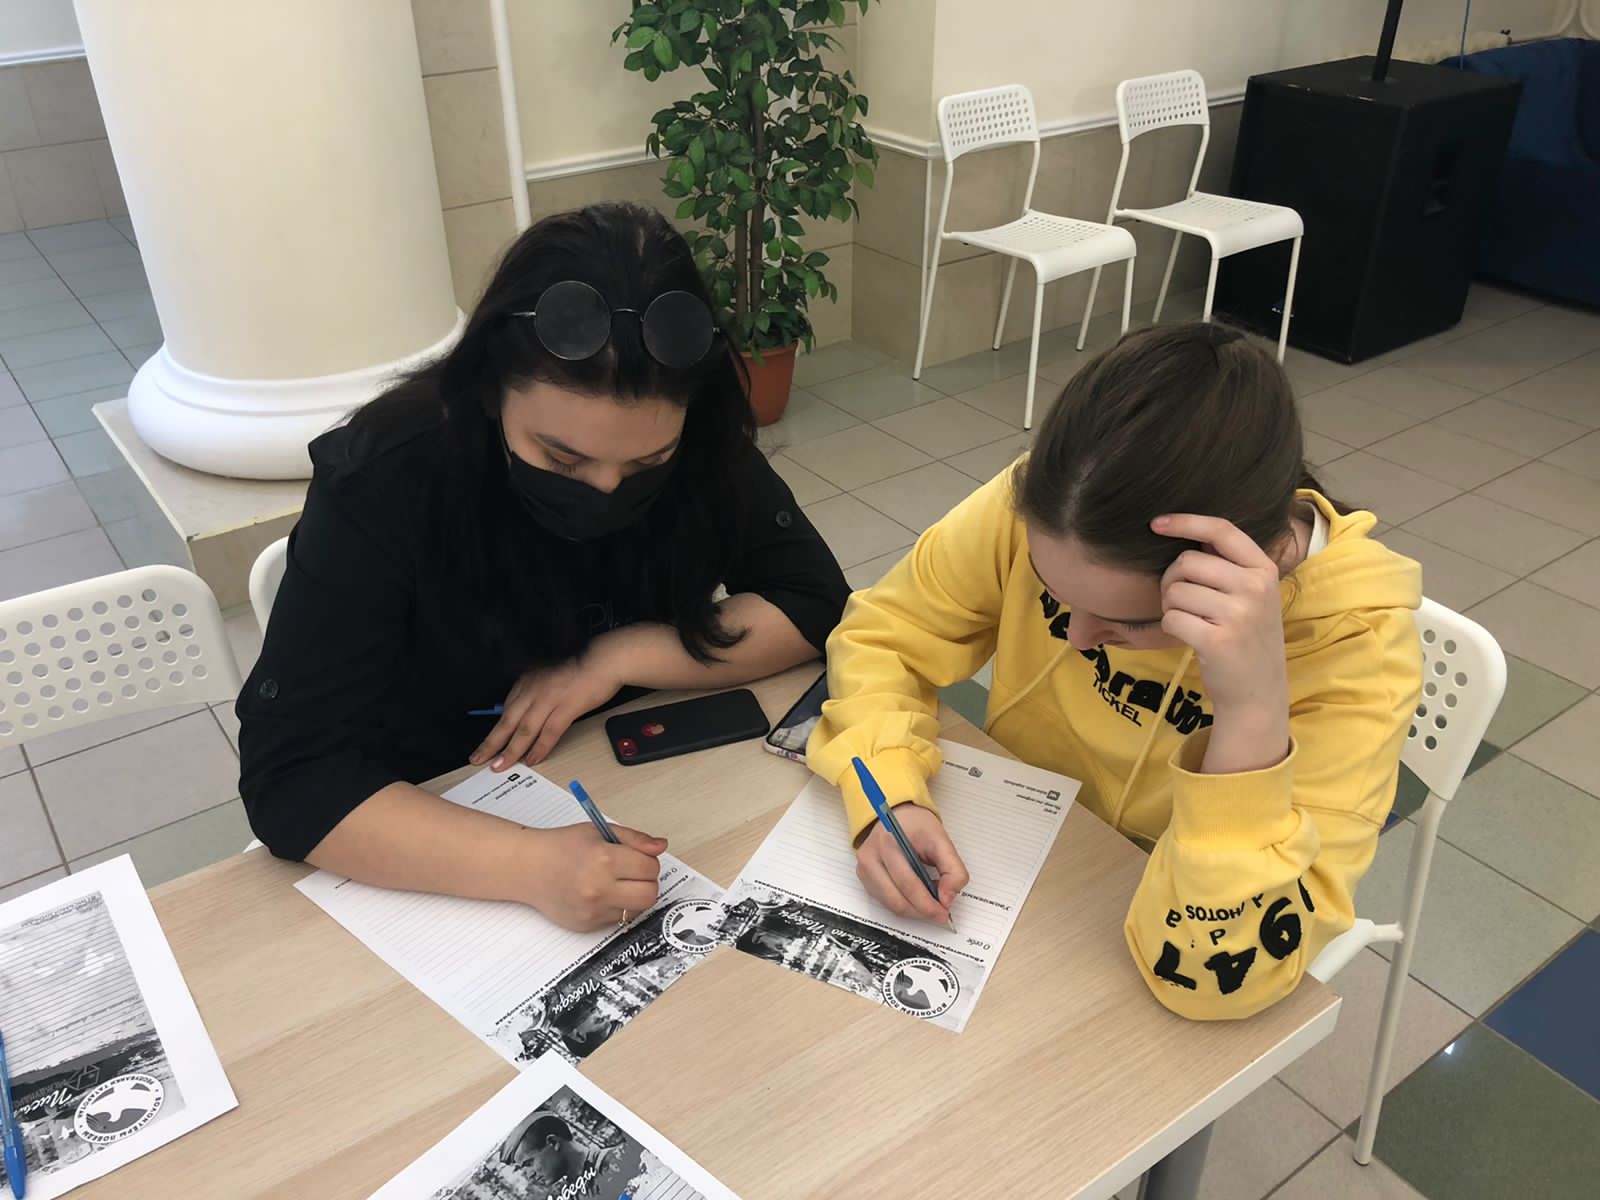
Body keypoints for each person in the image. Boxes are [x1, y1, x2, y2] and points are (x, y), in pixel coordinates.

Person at [239, 203, 849, 930]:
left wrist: (616, 657)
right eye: (561, 459)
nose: (606, 489)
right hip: (433, 799)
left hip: (625, 768)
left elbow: (814, 602)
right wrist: (529, 866)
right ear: (491, 389)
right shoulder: (389, 475)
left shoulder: (703, 439)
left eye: (648, 463)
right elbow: (290, 779)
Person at [808, 323, 1422, 1020]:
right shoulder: (1061, 506)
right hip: (1021, 858)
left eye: (1129, 622)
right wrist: (890, 793)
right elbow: (886, 635)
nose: (1075, 637)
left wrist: (1251, 717)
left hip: (1154, 931)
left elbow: (1219, 980)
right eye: (1050, 590)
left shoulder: (1355, 650)